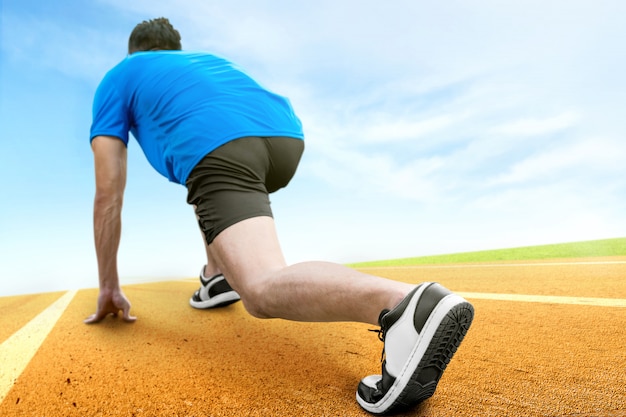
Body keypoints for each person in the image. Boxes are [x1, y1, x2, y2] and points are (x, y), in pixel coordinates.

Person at [85, 17, 474, 415]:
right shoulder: (202, 63)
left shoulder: (120, 76)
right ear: (173, 48)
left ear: (134, 50)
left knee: (260, 288)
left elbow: (108, 195)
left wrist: (108, 286)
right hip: (283, 138)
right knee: (209, 191)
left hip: (221, 145)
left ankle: (405, 306)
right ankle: (216, 277)